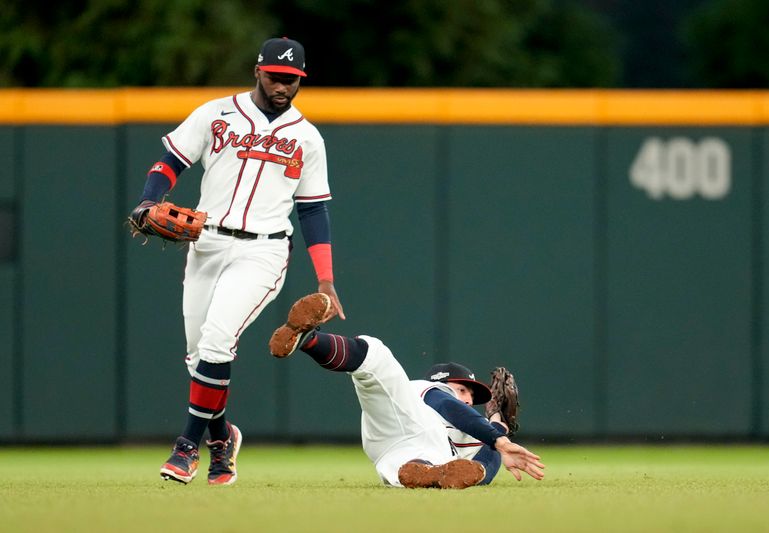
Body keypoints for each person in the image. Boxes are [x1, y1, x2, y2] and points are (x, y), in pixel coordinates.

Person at [128, 37, 345, 485]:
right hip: (206, 243)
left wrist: (326, 279)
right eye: (276, 77)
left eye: (292, 80)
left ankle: (187, 448)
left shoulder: (307, 137)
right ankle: (223, 438)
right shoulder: (215, 113)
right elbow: (170, 162)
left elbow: (313, 209)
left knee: (216, 341)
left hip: (262, 251)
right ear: (257, 72)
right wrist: (150, 201)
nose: (283, 86)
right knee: (197, 357)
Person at [269, 293, 545, 488]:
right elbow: (448, 407)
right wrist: (496, 436)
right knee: (376, 356)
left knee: (416, 468)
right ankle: (309, 339)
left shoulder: (477, 434)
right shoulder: (429, 391)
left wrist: (498, 437)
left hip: (402, 452)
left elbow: (478, 471)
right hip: (405, 417)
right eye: (462, 389)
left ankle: (425, 474)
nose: (468, 398)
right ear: (441, 381)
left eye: (473, 397)